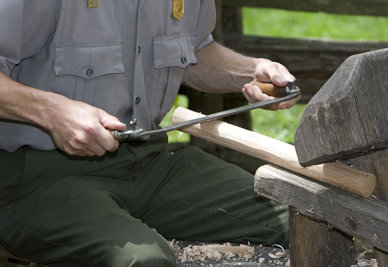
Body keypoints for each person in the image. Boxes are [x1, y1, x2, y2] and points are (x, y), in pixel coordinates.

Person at [0, 1, 300, 266]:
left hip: (150, 162)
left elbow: (196, 53)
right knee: (144, 261)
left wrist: (252, 71)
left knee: (305, 223)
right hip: (32, 177)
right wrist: (51, 112)